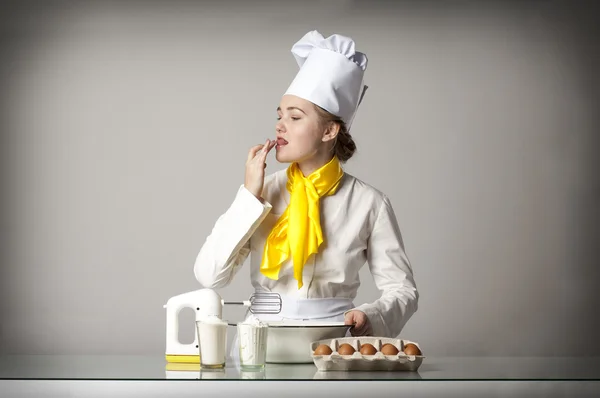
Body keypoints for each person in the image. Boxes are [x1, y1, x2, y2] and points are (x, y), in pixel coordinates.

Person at [193, 30, 418, 357]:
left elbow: (402, 289)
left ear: (330, 130)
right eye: (280, 115)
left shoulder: (369, 203)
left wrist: (372, 317)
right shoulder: (263, 193)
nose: (280, 126)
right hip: (258, 348)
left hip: (335, 348)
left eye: (295, 117)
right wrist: (249, 197)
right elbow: (210, 275)